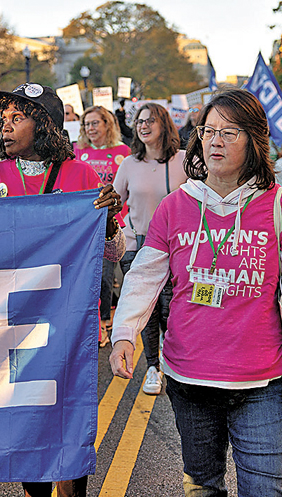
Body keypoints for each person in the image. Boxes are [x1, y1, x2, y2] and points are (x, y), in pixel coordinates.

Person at [110, 87, 282, 497]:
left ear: (253, 141)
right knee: (201, 480)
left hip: (262, 381)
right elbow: (144, 275)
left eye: (230, 132)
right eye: (209, 131)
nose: (217, 142)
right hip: (189, 377)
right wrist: (124, 331)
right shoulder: (175, 207)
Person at [0, 82, 124, 497]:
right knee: (23, 419)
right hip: (8, 324)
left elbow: (114, 253)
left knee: (67, 418)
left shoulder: (81, 174)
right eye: (4, 116)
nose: (5, 125)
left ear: (44, 124)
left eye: (17, 116)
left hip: (67, 324)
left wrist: (106, 225)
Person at [112, 102, 188, 395]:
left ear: (164, 125)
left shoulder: (182, 161)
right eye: (139, 121)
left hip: (175, 248)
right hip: (137, 245)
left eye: (150, 121)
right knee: (147, 312)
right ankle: (153, 367)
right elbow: (115, 202)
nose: (143, 126)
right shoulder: (129, 164)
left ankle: (175, 364)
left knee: (172, 309)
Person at [74, 105, 132, 345]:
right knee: (92, 278)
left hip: (113, 224)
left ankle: (106, 321)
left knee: (107, 276)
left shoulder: (123, 151)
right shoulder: (78, 151)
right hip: (85, 225)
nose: (90, 128)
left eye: (95, 123)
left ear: (107, 124)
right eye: (87, 124)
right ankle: (97, 322)